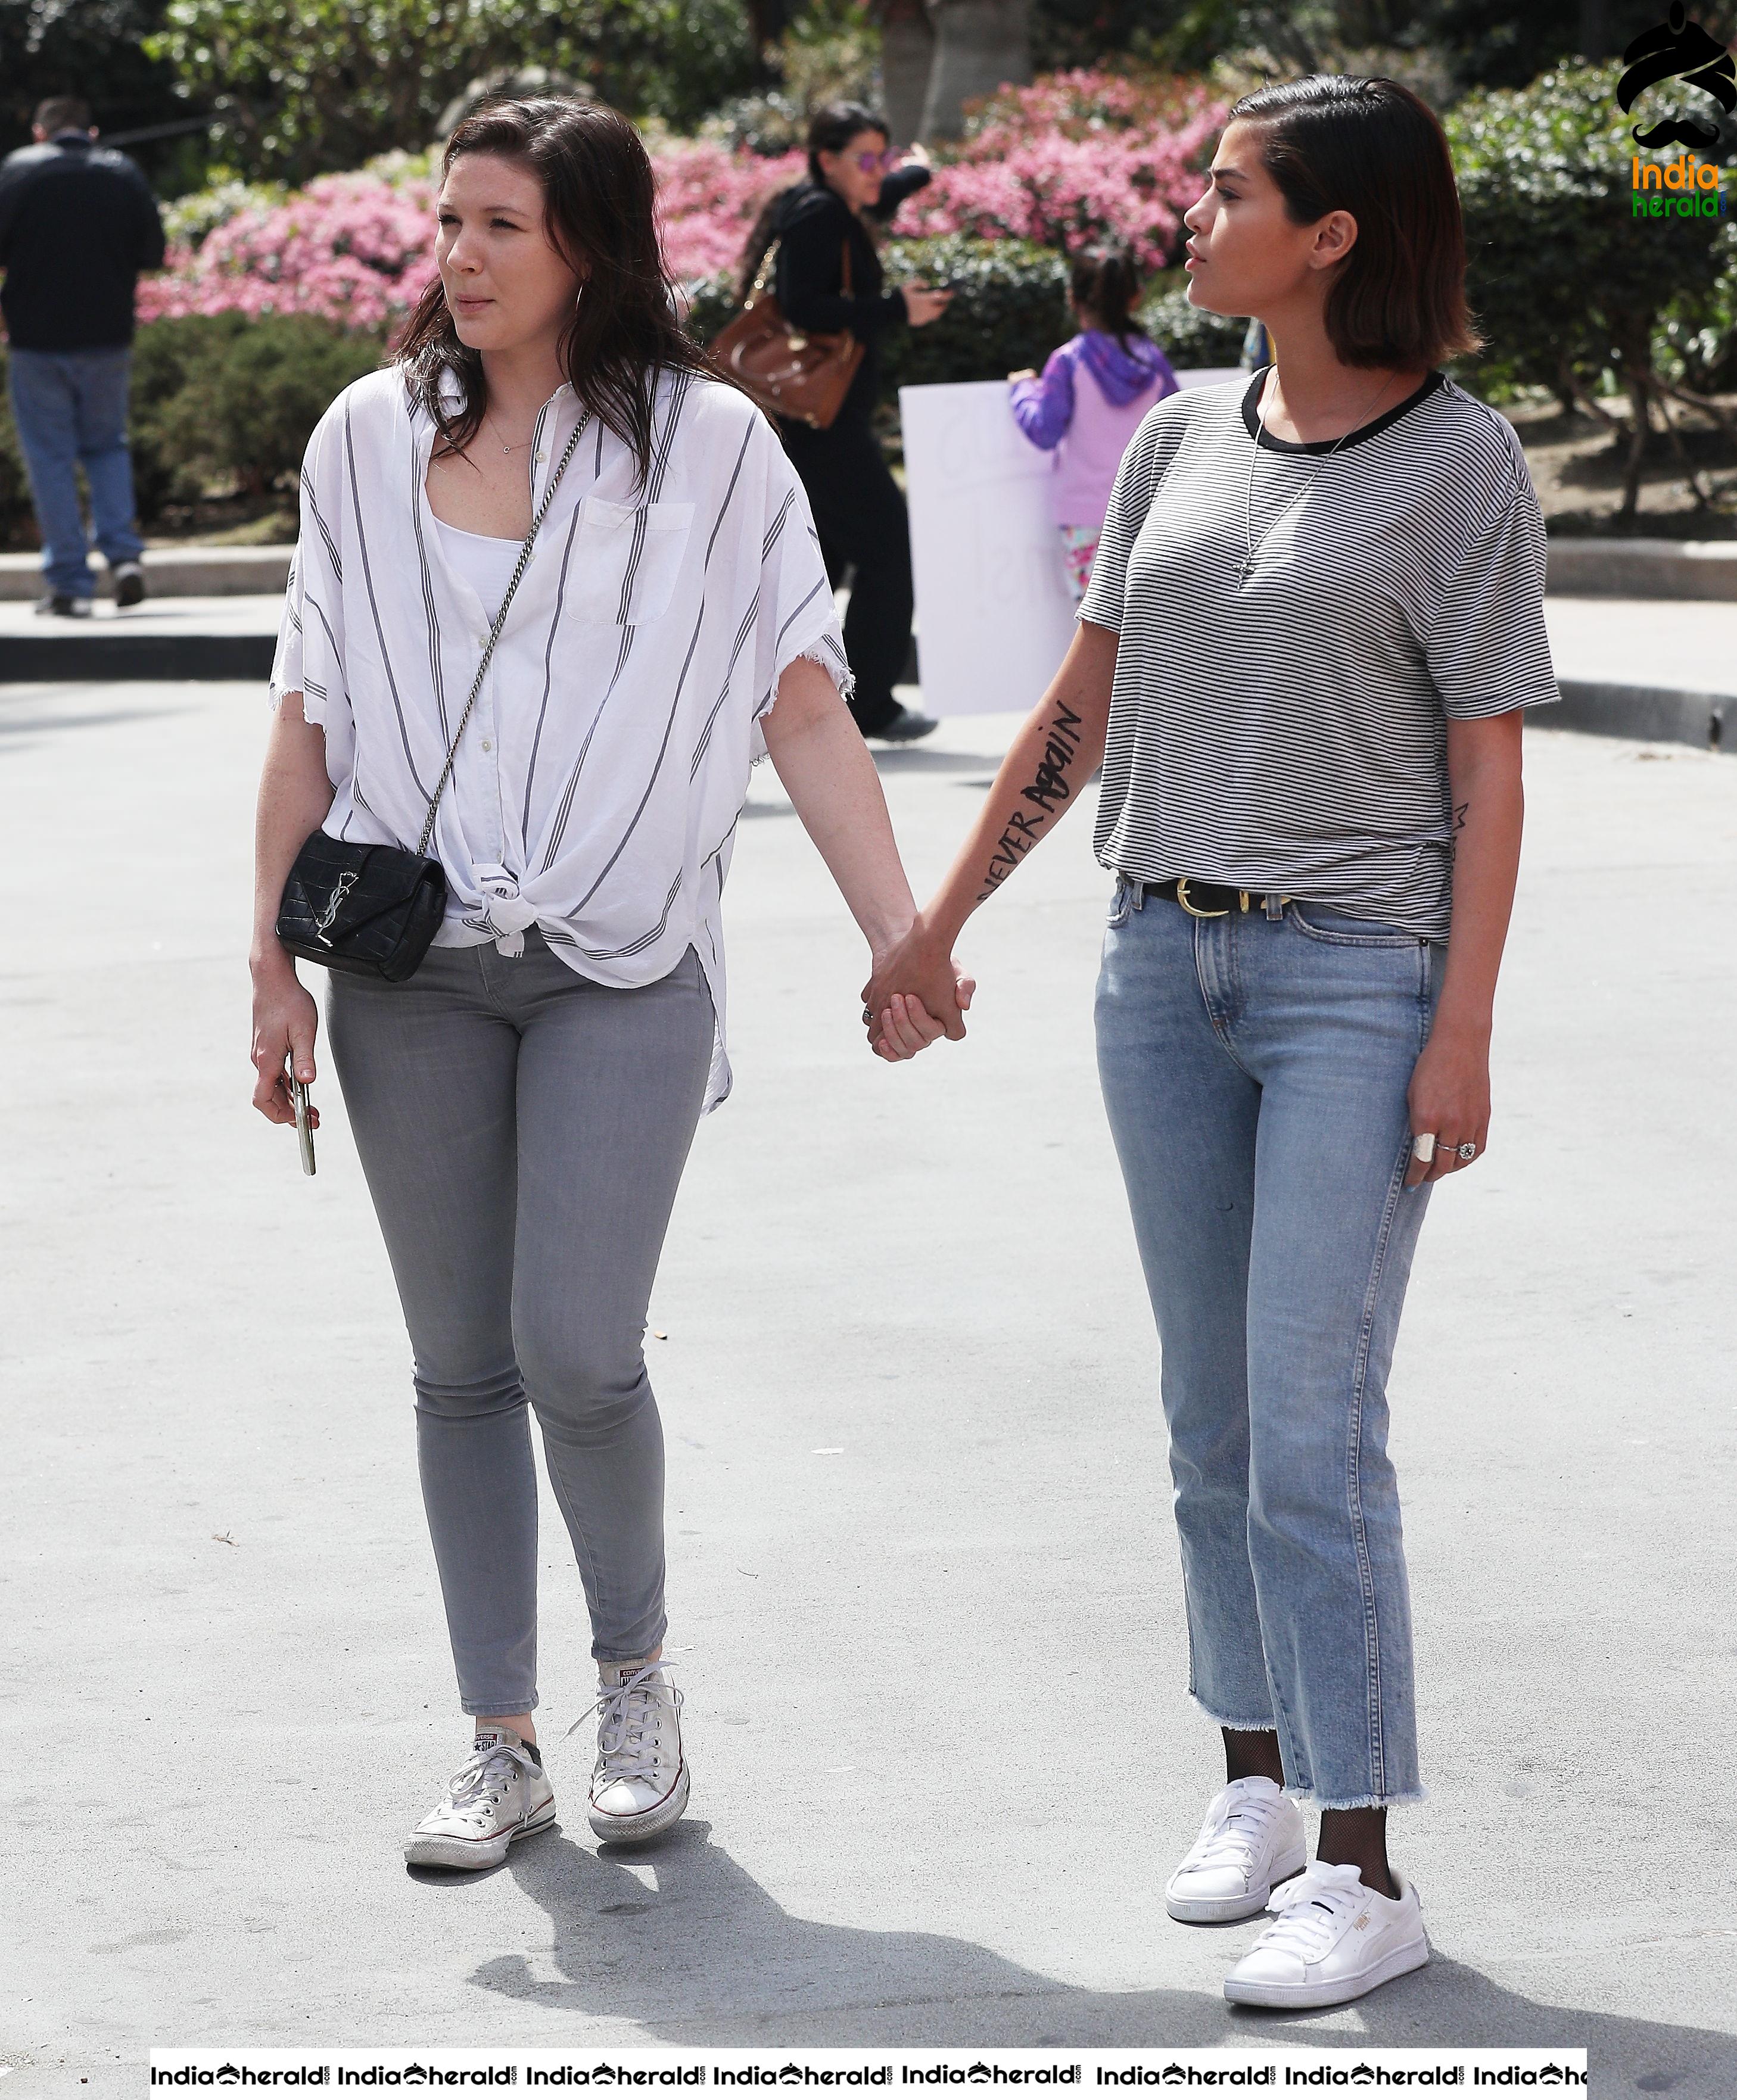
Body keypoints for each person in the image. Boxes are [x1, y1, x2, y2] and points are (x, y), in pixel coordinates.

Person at [864, 75, 1558, 2009]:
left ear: (1331, 233)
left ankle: (1363, 1858)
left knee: (1313, 1430)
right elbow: (1078, 708)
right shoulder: (1175, 435)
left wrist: (1460, 1031)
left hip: (1355, 981)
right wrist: (938, 917)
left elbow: (1485, 784)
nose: (1191, 214)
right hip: (1155, 967)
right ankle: (1249, 1777)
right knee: (1209, 1420)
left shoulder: (1458, 463)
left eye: (1227, 190)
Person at [250, 96, 965, 1872]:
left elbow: (802, 696)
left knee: (575, 1340)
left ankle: (633, 1680)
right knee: (456, 1363)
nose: (461, 258)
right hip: (407, 967)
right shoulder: (362, 439)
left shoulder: (711, 451)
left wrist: (901, 926)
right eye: (448, 223)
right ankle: (497, 1739)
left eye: (501, 224)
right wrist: (262, 960)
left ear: (590, 241)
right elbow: (308, 713)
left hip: (620, 958)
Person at [738, 102, 952, 744]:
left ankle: (767, 703)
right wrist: (895, 309)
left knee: (814, 569)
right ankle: (871, 704)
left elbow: (880, 196)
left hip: (821, 423)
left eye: (882, 158)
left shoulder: (833, 201)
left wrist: (912, 175)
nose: (877, 172)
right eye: (866, 159)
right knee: (889, 548)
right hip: (823, 427)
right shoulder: (821, 214)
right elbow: (804, 305)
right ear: (826, 159)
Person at [0, 96, 164, 617]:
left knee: (50, 458)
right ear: (90, 133)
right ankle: (123, 560)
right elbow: (153, 252)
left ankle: (70, 583)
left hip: (35, 340)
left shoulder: (18, 172)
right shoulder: (121, 172)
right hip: (107, 336)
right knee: (107, 446)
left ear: (40, 132)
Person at [1007, 245, 1177, 601]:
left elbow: (1044, 430)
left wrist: (1023, 389)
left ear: (1073, 298)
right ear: (1136, 297)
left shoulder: (1069, 361)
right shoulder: (1154, 363)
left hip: (1083, 520)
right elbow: (1181, 435)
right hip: (1151, 518)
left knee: (1097, 637)